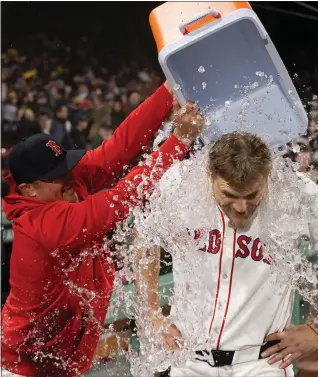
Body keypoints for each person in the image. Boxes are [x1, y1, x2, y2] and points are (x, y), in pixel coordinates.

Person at [1, 83, 204, 377]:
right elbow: (121, 199)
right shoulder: (40, 225)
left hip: (61, 360)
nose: (69, 175)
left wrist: (168, 91)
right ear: (28, 190)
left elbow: (117, 149)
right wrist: (179, 141)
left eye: (64, 165)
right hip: (23, 368)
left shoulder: (63, 185)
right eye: (55, 175)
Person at [136, 132, 318, 377]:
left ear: (268, 178)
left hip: (260, 364)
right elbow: (144, 238)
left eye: (252, 196)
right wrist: (152, 313)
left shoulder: (296, 193)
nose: (241, 207)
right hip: (187, 362)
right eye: (229, 195)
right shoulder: (180, 182)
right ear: (210, 175)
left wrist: (317, 327)